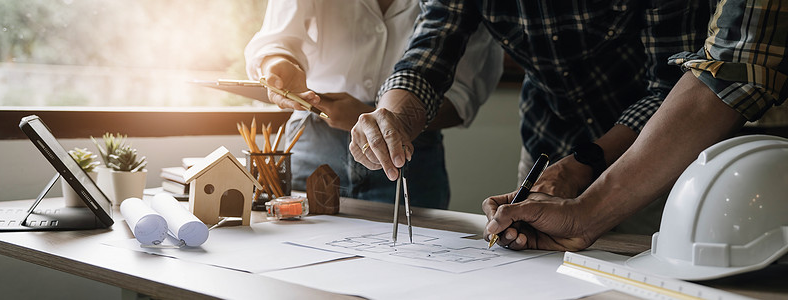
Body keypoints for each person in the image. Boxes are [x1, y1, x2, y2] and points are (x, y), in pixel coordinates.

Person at [350, 0, 708, 233]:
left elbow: (672, 87)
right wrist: (391, 116)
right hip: (545, 146)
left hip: (656, 151)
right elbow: (427, 57)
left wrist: (580, 165)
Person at [482, 0, 787, 251]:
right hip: (547, 132)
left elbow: (731, 65)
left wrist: (585, 208)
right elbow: (434, 50)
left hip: (657, 145)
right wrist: (582, 212)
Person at [244, 0, 503, 209]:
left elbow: (462, 96)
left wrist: (381, 117)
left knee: (409, 261)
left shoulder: (456, 8)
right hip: (313, 141)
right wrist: (278, 64)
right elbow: (277, 39)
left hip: (409, 148)